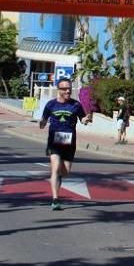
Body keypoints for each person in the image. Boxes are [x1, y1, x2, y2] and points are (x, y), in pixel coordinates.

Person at [39, 78, 91, 210]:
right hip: (54, 141)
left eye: (69, 88)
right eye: (65, 89)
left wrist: (87, 119)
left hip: (69, 142)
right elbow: (44, 120)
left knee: (66, 171)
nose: (68, 91)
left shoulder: (76, 105)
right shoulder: (51, 105)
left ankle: (58, 179)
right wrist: (42, 123)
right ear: (59, 90)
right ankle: (55, 199)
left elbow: (82, 119)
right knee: (55, 168)